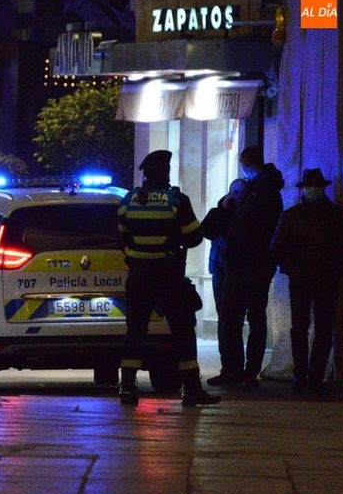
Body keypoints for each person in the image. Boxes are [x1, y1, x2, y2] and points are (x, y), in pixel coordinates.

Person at [117, 150, 221, 407]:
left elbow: (122, 236)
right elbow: (195, 237)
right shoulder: (176, 200)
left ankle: (127, 389)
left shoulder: (129, 200)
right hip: (168, 276)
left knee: (136, 332)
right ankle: (192, 389)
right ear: (165, 172)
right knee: (183, 331)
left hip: (139, 276)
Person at [271, 168, 343, 393]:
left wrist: (337, 270)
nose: (314, 190)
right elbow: (278, 248)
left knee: (321, 328)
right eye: (311, 186)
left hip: (323, 278)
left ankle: (313, 375)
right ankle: (303, 374)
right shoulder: (296, 215)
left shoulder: (332, 214)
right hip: (307, 279)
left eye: (316, 186)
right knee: (303, 328)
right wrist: (293, 269)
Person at [207, 146, 284, 388]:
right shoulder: (255, 191)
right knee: (234, 319)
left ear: (245, 164)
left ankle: (245, 372)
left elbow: (256, 231)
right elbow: (210, 228)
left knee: (248, 319)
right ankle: (236, 370)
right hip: (241, 265)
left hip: (249, 265)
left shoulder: (261, 191)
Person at [201, 179, 247, 382]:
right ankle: (228, 367)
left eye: (240, 193)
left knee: (233, 321)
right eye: (234, 192)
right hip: (221, 271)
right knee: (224, 321)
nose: (236, 196)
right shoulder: (219, 212)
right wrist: (224, 211)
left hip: (240, 272)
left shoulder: (248, 214)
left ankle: (237, 368)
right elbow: (206, 231)